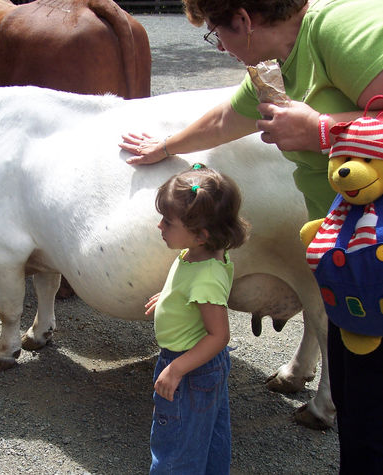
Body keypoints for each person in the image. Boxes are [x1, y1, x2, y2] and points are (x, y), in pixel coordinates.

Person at [120, 1, 383, 472]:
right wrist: (167, 145)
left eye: (216, 32)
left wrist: (322, 131)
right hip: (353, 265)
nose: (218, 45)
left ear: (243, 19)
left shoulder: (346, 27)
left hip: (374, 263)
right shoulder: (283, 59)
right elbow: (226, 120)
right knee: (359, 407)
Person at [146, 164, 248, 474]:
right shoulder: (201, 254)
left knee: (177, 449)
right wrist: (169, 297)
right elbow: (189, 289)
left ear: (201, 234)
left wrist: (176, 369)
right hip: (204, 369)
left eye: (168, 221)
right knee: (209, 436)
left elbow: (218, 336)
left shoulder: (206, 277)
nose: (159, 226)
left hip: (190, 368)